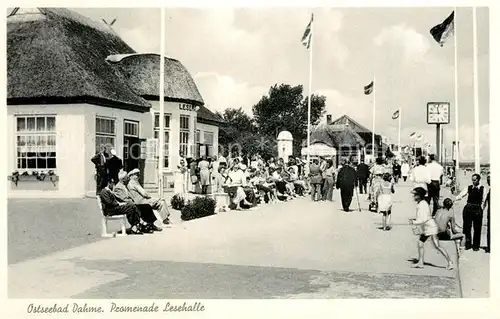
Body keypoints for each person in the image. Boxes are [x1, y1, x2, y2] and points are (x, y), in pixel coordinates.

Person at [409, 187, 453, 270]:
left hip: (431, 228)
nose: (413, 196)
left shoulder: (423, 205)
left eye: (415, 195)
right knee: (420, 243)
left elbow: (423, 219)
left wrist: (414, 222)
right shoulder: (421, 203)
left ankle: (450, 262)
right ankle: (420, 262)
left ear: (419, 196)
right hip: (427, 227)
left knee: (437, 246)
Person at [455, 173, 487, 251]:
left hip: (477, 209)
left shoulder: (483, 189)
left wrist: (481, 209)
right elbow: (460, 195)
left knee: (477, 228)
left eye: (475, 180)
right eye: (472, 180)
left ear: (479, 180)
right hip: (468, 208)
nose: (473, 182)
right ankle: (468, 244)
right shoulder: (468, 187)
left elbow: (484, 200)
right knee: (467, 227)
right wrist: (454, 199)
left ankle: (476, 246)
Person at [483, 172, 490, 253]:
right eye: (487, 178)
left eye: (489, 178)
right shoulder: (489, 190)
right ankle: (489, 247)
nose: (488, 180)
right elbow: (485, 202)